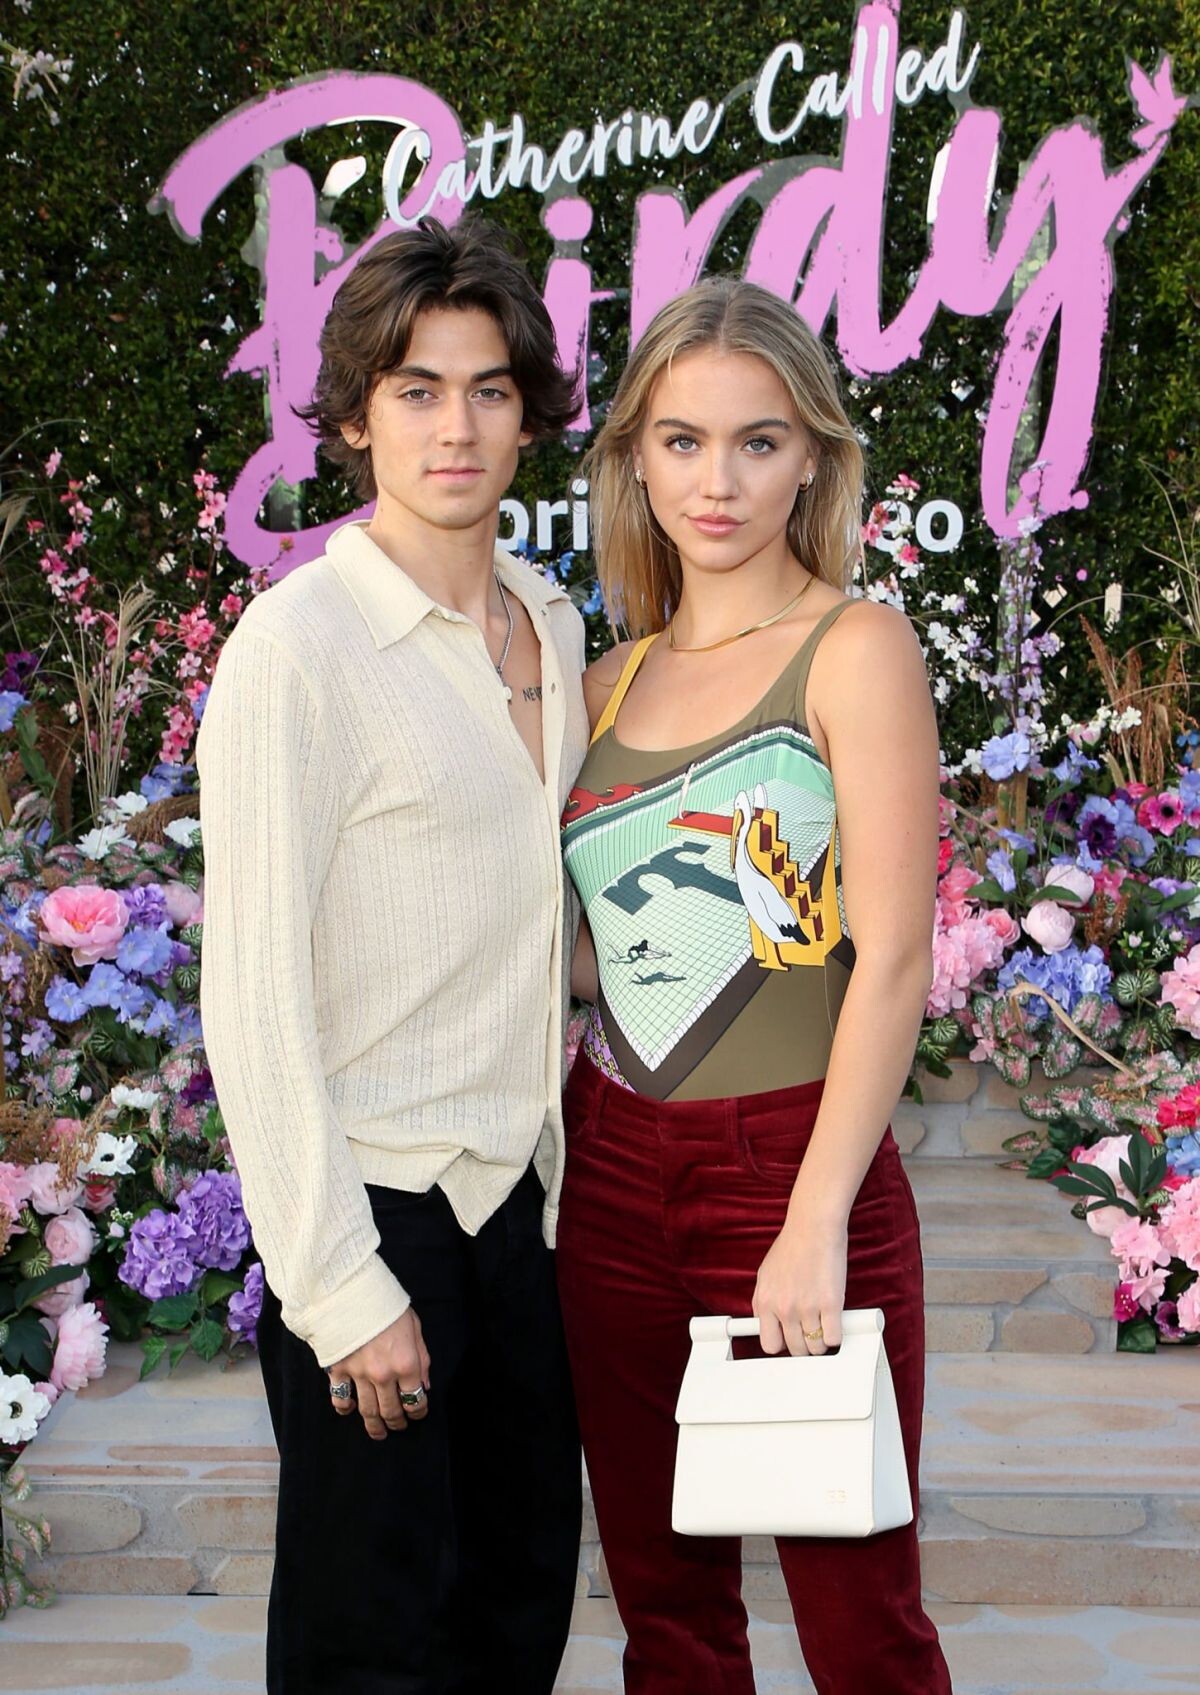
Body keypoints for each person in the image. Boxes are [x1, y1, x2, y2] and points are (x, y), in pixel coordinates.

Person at [197, 216, 589, 1695]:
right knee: (366, 1651)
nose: (456, 427)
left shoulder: (551, 623)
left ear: (529, 414)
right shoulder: (298, 647)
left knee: (515, 1620)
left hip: (523, 1212)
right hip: (377, 1214)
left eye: (489, 389)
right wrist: (341, 1287)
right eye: (417, 390)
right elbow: (252, 999)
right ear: (356, 417)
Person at [557, 276, 952, 1695]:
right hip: (610, 1169)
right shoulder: (603, 682)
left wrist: (813, 1219)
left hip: (791, 1158)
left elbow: (891, 956)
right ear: (634, 459)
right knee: (667, 1621)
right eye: (681, 441)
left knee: (861, 1627)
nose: (715, 482)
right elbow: (599, 953)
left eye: (757, 441)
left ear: (813, 460)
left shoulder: (859, 648)